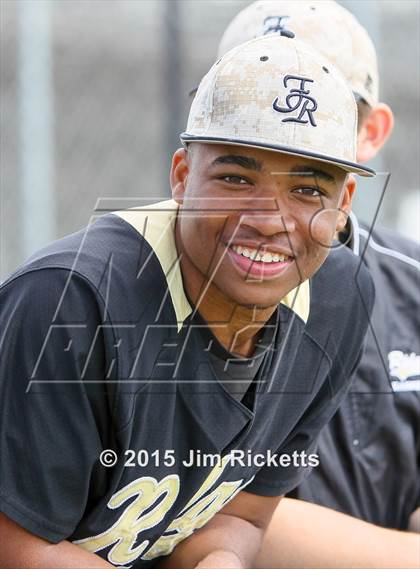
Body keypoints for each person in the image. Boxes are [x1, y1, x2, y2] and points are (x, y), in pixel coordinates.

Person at [0, 34, 376, 568]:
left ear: (344, 206)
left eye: (309, 190)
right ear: (181, 176)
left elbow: (240, 515)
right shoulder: (68, 302)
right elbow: (14, 545)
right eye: (235, 178)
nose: (269, 221)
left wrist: (219, 560)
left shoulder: (339, 296)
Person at [216, 2, 420, 567]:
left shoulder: (412, 285)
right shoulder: (161, 281)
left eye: (313, 106)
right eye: (248, 106)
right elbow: (193, 515)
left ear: (369, 132)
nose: (281, 132)